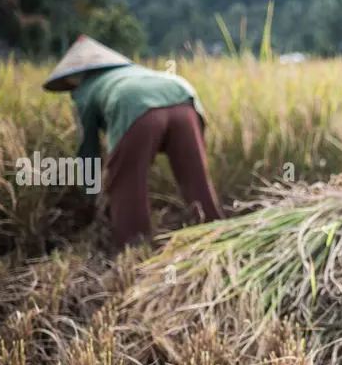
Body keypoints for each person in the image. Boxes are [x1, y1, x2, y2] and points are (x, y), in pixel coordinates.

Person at [42, 35, 225, 248]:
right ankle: (216, 236)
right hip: (183, 98)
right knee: (195, 179)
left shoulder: (85, 90)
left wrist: (90, 194)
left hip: (136, 106)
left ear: (78, 74)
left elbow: (88, 148)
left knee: (127, 183)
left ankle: (136, 248)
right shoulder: (133, 72)